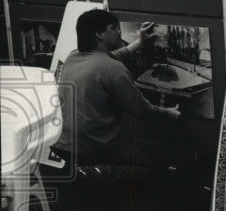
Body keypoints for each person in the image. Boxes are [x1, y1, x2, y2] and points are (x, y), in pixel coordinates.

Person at [52, 9, 180, 176]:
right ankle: (93, 173)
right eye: (114, 28)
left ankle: (84, 171)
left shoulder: (73, 56)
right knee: (147, 167)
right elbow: (141, 109)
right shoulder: (114, 69)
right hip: (90, 147)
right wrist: (168, 113)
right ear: (99, 34)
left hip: (63, 145)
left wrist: (139, 42)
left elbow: (109, 57)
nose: (119, 31)